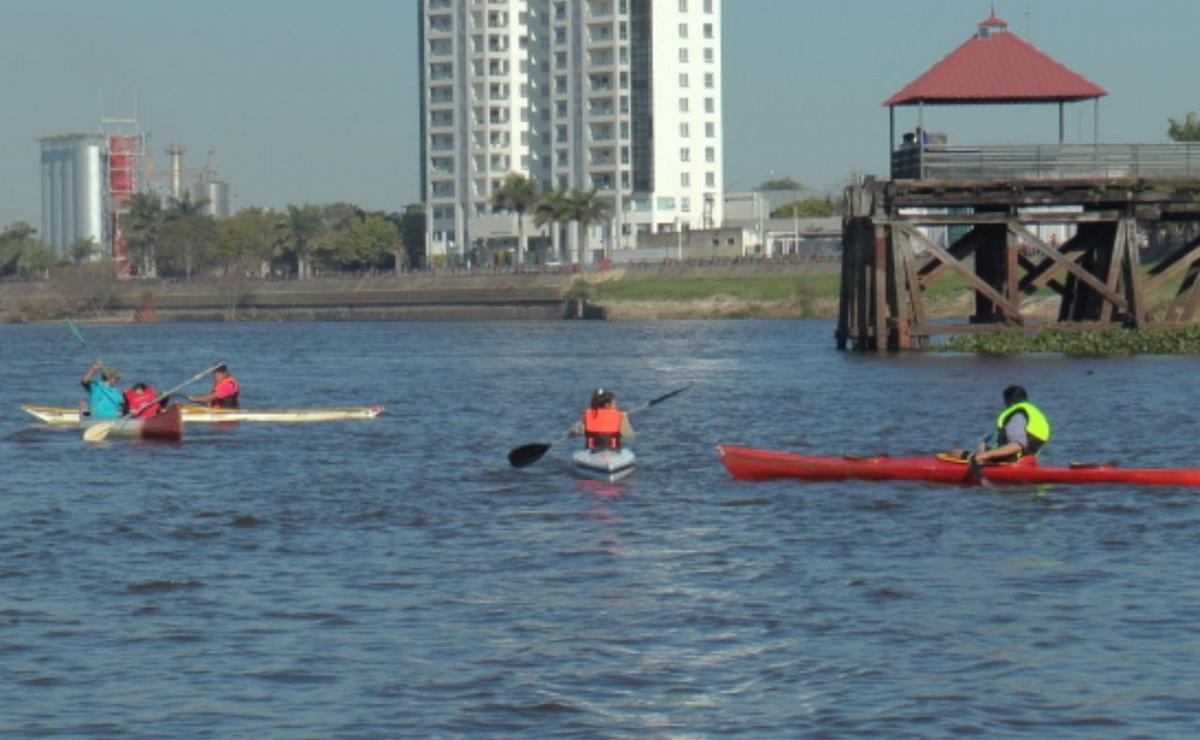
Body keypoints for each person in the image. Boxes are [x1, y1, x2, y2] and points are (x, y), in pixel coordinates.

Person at [972, 385, 1051, 464]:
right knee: (980, 448)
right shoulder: (1031, 412)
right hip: (1025, 459)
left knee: (960, 453)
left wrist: (986, 455)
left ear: (1009, 401)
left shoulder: (1017, 415)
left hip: (1010, 460)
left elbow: (1017, 445)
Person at [571, 388, 636, 450]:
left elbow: (574, 432)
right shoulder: (620, 417)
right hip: (613, 450)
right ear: (607, 405)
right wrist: (625, 419)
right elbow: (630, 436)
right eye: (615, 404)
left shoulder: (588, 416)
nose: (617, 406)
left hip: (591, 451)